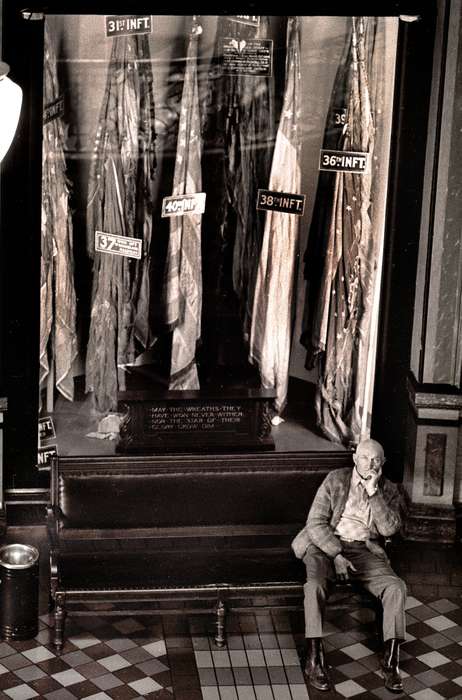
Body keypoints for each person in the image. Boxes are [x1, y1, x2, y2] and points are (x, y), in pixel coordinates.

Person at [292, 438, 406, 693]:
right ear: (355, 458)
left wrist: (374, 492)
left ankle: (390, 662)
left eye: (377, 459)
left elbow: (389, 528)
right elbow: (315, 524)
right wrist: (336, 554)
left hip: (363, 549)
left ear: (383, 463)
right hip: (326, 545)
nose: (371, 464)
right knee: (314, 587)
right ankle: (314, 659)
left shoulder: (388, 489)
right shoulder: (335, 479)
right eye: (366, 457)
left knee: (396, 587)